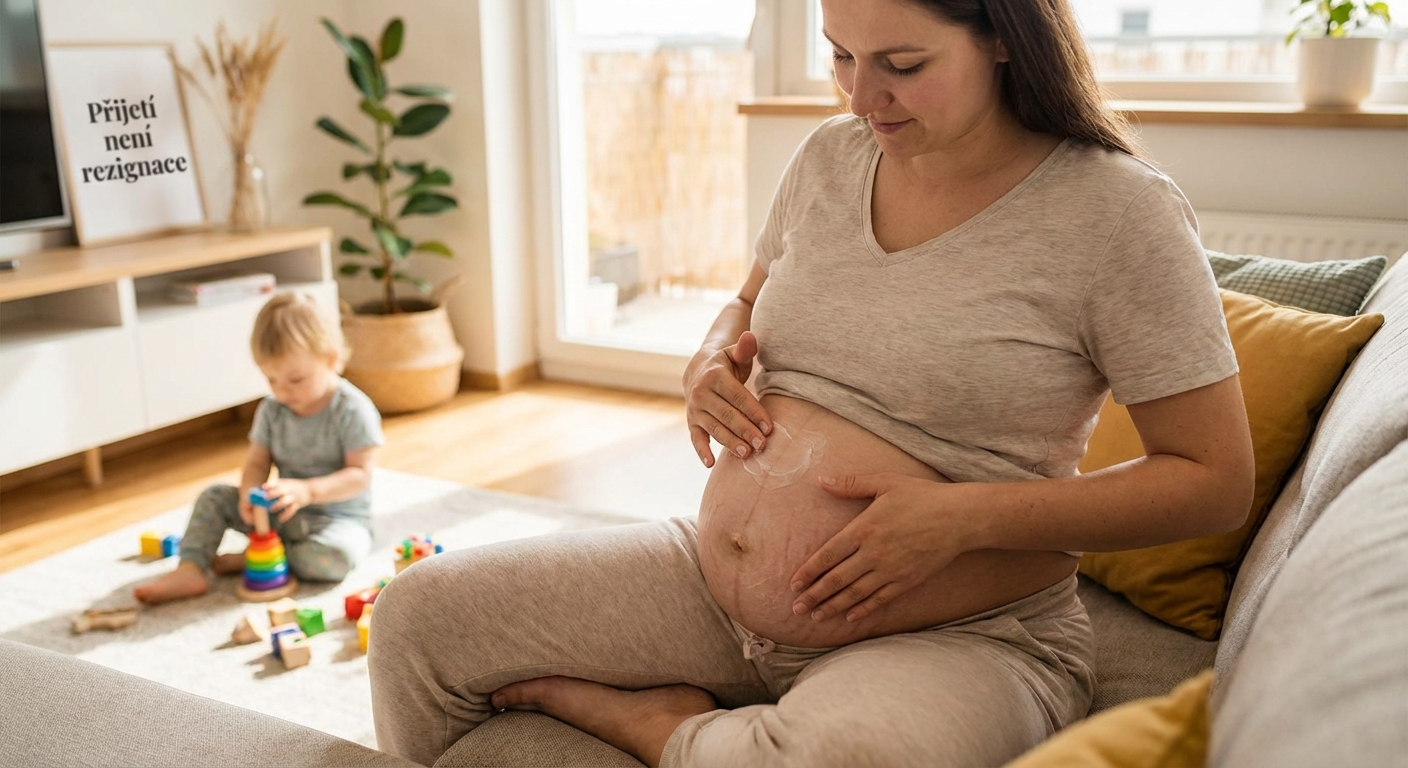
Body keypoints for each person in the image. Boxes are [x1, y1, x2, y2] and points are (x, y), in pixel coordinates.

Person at [368, 0, 1255, 765]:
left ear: (1003, 36)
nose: (862, 97)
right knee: (418, 624)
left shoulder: (1117, 212)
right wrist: (712, 356)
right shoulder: (831, 157)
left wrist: (962, 517)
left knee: (842, 757)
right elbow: (748, 299)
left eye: (903, 65)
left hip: (964, 634)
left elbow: (1213, 482)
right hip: (710, 588)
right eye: (840, 55)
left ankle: (663, 731)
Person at [134, 292, 383, 604]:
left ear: (330, 360)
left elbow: (359, 475)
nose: (282, 391)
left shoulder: (352, 409)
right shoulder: (272, 409)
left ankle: (260, 556)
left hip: (336, 520)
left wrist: (308, 491)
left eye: (295, 379)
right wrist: (248, 493)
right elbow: (256, 461)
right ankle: (191, 568)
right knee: (213, 497)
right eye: (271, 379)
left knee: (336, 558)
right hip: (279, 514)